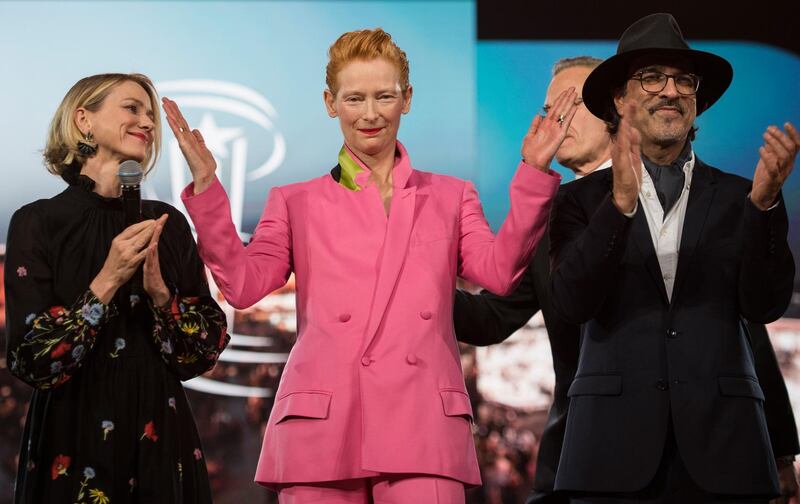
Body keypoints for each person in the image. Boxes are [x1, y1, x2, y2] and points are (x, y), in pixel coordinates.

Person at [162, 28, 572, 503]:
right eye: (355, 98)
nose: (371, 114)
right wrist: (210, 189)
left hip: (422, 424)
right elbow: (243, 285)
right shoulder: (295, 202)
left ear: (408, 99)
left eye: (384, 96)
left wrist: (534, 175)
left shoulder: (452, 196)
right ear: (330, 102)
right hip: (323, 424)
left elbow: (499, 273)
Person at [454, 55, 800, 503]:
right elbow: (490, 318)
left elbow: (743, 331)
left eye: (572, 103)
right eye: (547, 108)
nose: (556, 117)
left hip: (708, 457)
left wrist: (779, 448)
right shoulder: (550, 216)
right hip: (588, 459)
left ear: (614, 110)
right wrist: (415, 283)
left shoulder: (702, 199)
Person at [548, 13, 799, 503]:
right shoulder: (579, 201)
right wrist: (617, 209)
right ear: (619, 99)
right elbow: (570, 304)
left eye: (685, 80)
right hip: (609, 456)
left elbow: (764, 306)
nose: (671, 91)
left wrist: (765, 208)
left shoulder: (742, 196)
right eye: (653, 77)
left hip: (727, 452)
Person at [4, 73, 229, 504]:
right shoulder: (37, 224)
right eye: (132, 108)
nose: (147, 121)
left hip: (160, 435)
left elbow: (204, 351)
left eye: (150, 114)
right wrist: (106, 281)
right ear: (83, 119)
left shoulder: (168, 222)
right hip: (73, 434)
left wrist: (163, 297)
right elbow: (30, 360)